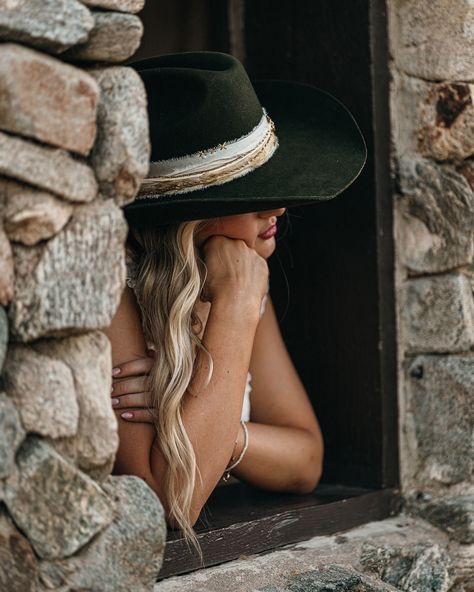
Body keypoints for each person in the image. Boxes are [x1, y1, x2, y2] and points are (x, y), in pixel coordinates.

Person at [102, 51, 366, 548]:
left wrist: (222, 430)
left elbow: (306, 460)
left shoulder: (239, 283)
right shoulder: (117, 293)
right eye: (249, 194)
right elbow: (167, 503)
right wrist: (237, 311)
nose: (280, 205)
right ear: (189, 215)